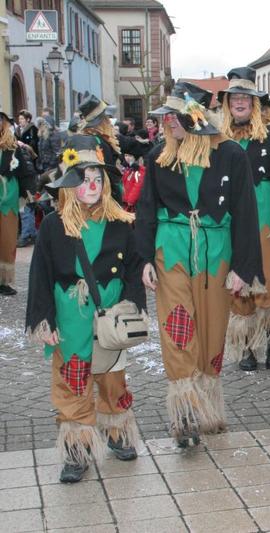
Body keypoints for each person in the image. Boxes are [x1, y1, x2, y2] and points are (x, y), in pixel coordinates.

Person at [135, 82, 264, 446]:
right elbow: (146, 208)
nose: (169, 123)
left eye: (176, 117)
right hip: (171, 250)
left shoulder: (230, 154)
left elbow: (246, 212)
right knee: (177, 326)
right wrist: (144, 259)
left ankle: (207, 406)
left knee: (211, 329)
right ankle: (185, 413)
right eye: (167, 117)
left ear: (196, 119)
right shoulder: (159, 156)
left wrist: (244, 268)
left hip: (216, 254)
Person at [25, 134, 145, 482]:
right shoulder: (54, 224)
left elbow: (134, 266)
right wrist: (44, 319)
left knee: (112, 379)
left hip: (110, 315)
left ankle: (116, 431)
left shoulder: (120, 221)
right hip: (70, 316)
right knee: (72, 381)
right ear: (68, 186)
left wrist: (134, 304)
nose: (91, 186)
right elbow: (40, 275)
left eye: (97, 179)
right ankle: (77, 450)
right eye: (83, 179)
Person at [218, 67, 270, 372]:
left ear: (254, 103)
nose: (239, 102)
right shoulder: (218, 139)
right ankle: (247, 347)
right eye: (234, 98)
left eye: (245, 98)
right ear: (227, 103)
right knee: (238, 283)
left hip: (266, 222)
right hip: (232, 222)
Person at [1, 110, 36, 295]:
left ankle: (4, 281)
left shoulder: (12, 145)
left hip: (8, 199)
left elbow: (24, 170)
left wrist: (30, 192)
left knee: (7, 241)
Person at [78, 95, 125, 202]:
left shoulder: (86, 138)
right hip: (103, 195)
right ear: (102, 121)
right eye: (106, 118)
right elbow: (107, 171)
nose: (109, 121)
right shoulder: (97, 141)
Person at [16, 109, 39, 247]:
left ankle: (26, 236)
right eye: (19, 120)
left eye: (22, 119)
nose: (20, 122)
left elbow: (35, 150)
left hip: (27, 183)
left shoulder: (32, 131)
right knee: (28, 208)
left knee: (26, 208)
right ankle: (33, 234)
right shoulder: (18, 133)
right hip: (28, 181)